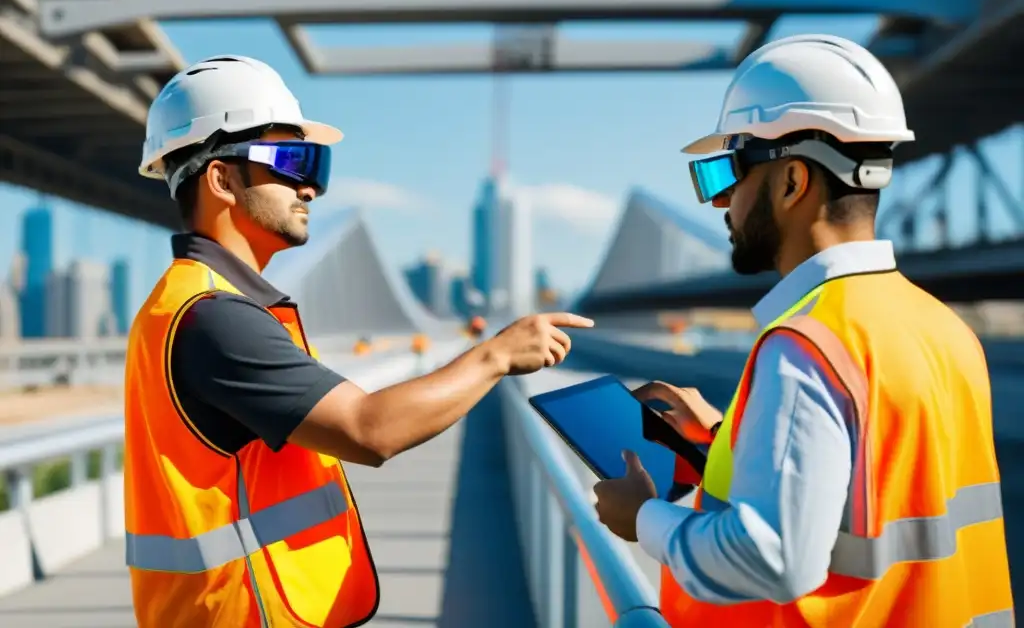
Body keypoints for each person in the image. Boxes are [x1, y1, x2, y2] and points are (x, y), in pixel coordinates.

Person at [122, 54, 594, 628]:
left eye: (315, 166)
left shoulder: (190, 302)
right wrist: (495, 355)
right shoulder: (213, 317)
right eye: (290, 161)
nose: (309, 188)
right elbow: (370, 430)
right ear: (221, 178)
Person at [592, 35, 1013, 626]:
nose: (721, 204)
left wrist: (643, 519)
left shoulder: (808, 345)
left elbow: (776, 557)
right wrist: (716, 438)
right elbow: (869, 486)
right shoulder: (942, 328)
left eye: (727, 173)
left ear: (791, 182)